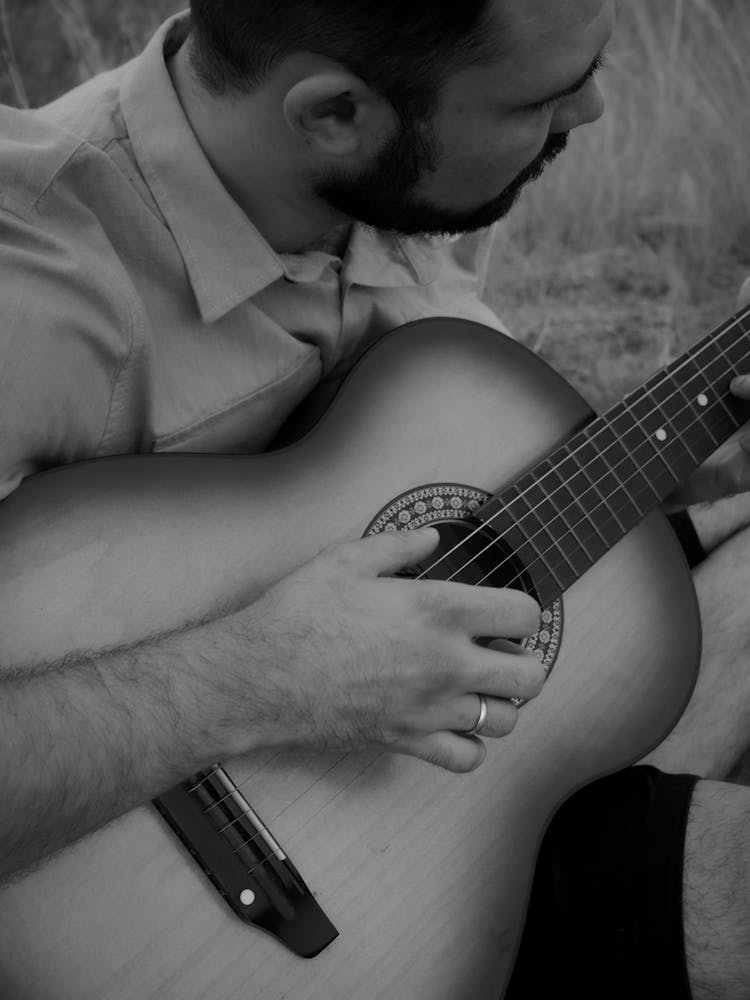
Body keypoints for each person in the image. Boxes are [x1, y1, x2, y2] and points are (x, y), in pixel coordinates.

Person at [1, 0, 750, 996]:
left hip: (430, 806)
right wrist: (260, 675)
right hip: (194, 914)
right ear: (337, 112)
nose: (596, 111)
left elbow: (447, 486)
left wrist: (691, 478)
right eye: (544, 98)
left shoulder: (372, 185)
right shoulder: (32, 291)